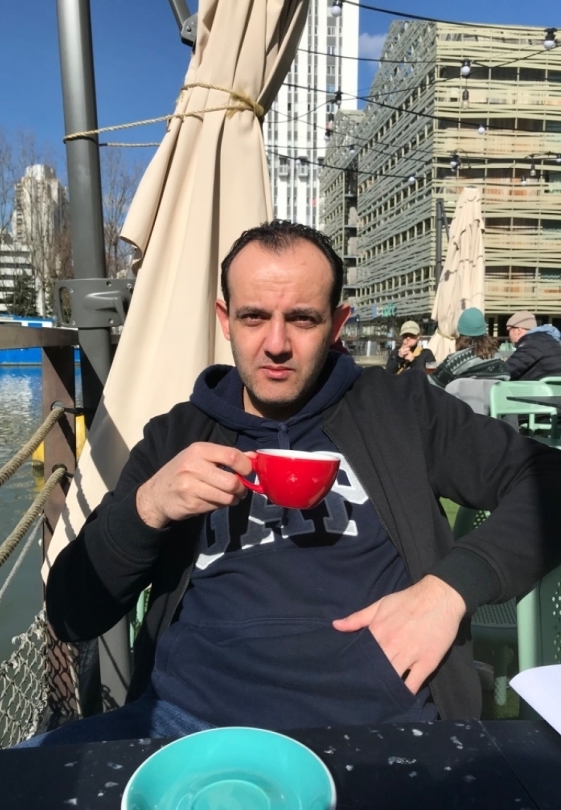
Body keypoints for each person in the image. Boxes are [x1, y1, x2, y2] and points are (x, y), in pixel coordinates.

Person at [31, 220, 561, 747]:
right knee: (21, 776)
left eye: (302, 319)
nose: (276, 344)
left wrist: (449, 590)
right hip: (183, 722)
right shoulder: (177, 437)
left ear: (336, 324)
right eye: (254, 317)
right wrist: (147, 507)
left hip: (383, 723)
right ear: (225, 320)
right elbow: (72, 613)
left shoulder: (399, 408)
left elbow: (548, 480)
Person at [429, 308, 509, 389]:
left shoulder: (455, 360)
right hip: (492, 397)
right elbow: (506, 379)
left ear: (460, 333)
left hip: (460, 398)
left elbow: (432, 384)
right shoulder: (497, 358)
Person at [505, 310, 561, 381]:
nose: (509, 336)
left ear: (518, 330)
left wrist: (494, 372)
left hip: (543, 387)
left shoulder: (532, 342)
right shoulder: (549, 340)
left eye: (509, 330)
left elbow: (511, 368)